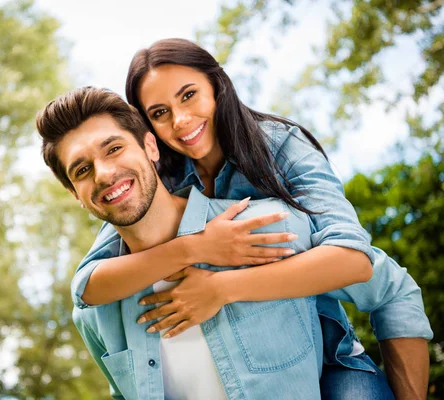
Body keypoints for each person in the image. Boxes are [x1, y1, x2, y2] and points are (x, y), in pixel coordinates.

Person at [70, 39, 433, 399]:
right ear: (148, 131)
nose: (181, 121)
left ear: (217, 85)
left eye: (188, 95)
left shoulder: (278, 146)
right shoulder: (155, 181)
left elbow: (353, 260)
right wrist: (196, 247)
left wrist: (220, 289)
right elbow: (88, 286)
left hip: (329, 354)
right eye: (160, 112)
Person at [37, 86, 336, 399]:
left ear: (150, 146)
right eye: (82, 170)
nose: (104, 174)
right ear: (76, 196)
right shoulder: (94, 313)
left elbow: (383, 285)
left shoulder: (267, 226)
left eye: (113, 149)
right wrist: (192, 248)